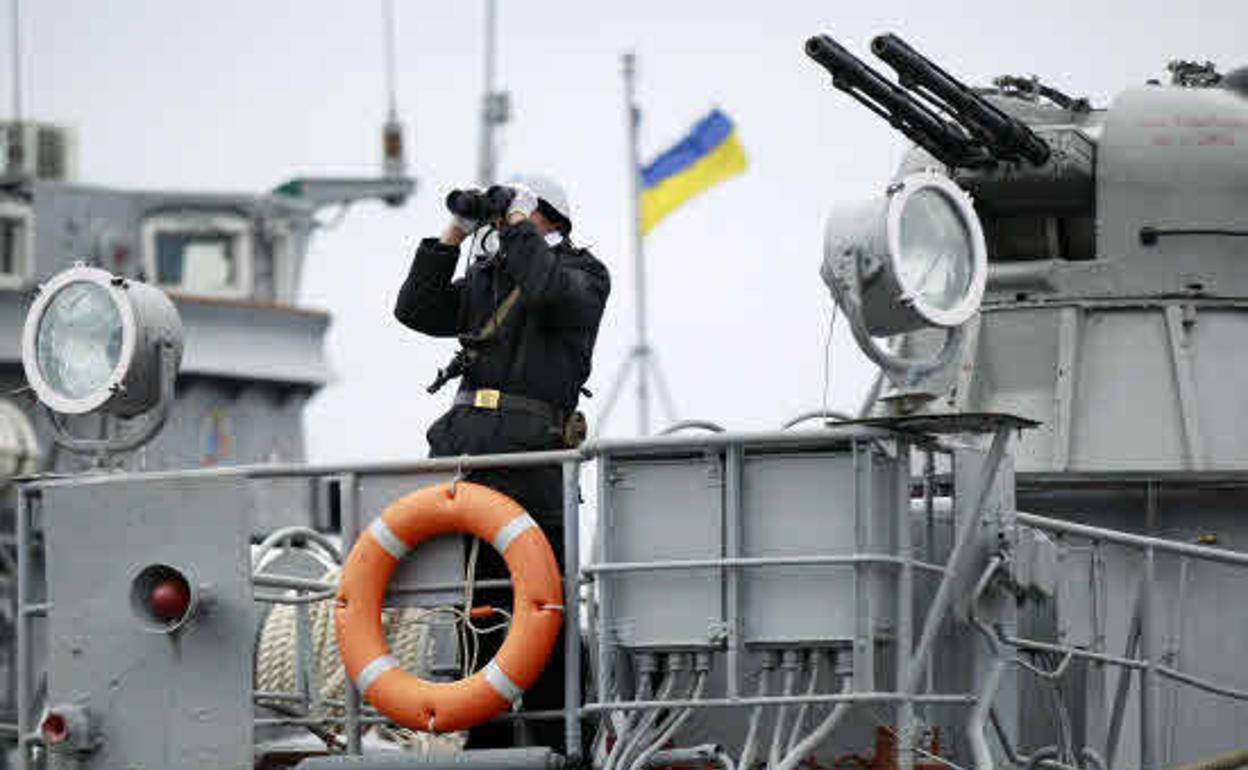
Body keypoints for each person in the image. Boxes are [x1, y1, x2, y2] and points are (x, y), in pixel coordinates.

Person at [394, 175, 610, 749]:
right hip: (472, 454)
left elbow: (544, 291)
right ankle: (485, 735)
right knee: (480, 602)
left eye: (517, 213)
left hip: (534, 458)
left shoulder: (583, 275)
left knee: (544, 601)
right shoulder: (486, 280)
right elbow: (414, 309)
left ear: (551, 220)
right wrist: (454, 232)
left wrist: (515, 223)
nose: (501, 224)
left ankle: (556, 735)